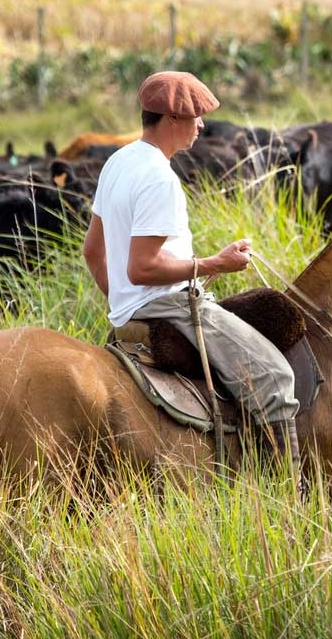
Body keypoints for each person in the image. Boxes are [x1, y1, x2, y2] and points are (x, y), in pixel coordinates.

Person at [81, 71, 299, 472]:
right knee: (275, 379)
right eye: (196, 115)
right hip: (172, 307)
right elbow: (143, 266)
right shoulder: (160, 179)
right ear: (173, 118)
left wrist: (123, 304)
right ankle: (289, 495)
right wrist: (218, 264)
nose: (202, 124)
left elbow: (93, 250)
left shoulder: (118, 162)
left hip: (131, 313)